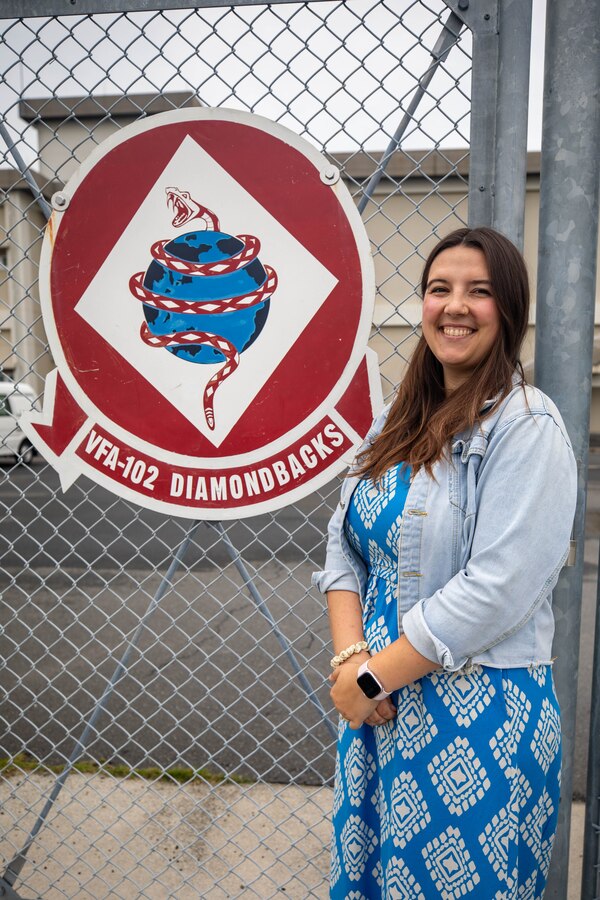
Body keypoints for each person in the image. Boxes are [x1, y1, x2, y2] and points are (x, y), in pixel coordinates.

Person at [312, 227, 577, 899]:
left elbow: (496, 590)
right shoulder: (392, 425)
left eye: (479, 292)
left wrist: (371, 680)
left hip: (477, 720)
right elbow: (342, 546)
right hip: (377, 713)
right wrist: (352, 667)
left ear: (509, 310)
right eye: (440, 289)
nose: (455, 305)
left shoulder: (526, 426)